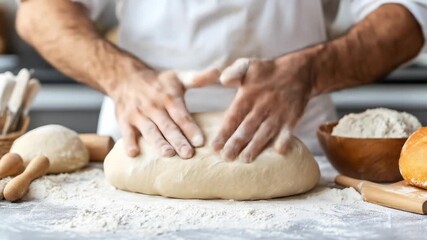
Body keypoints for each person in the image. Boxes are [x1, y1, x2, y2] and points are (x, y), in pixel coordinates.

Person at [16, 0, 426, 162]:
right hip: (142, 140)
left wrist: (310, 71)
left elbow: (408, 17)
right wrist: (124, 78)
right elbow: (39, 12)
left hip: (292, 145)